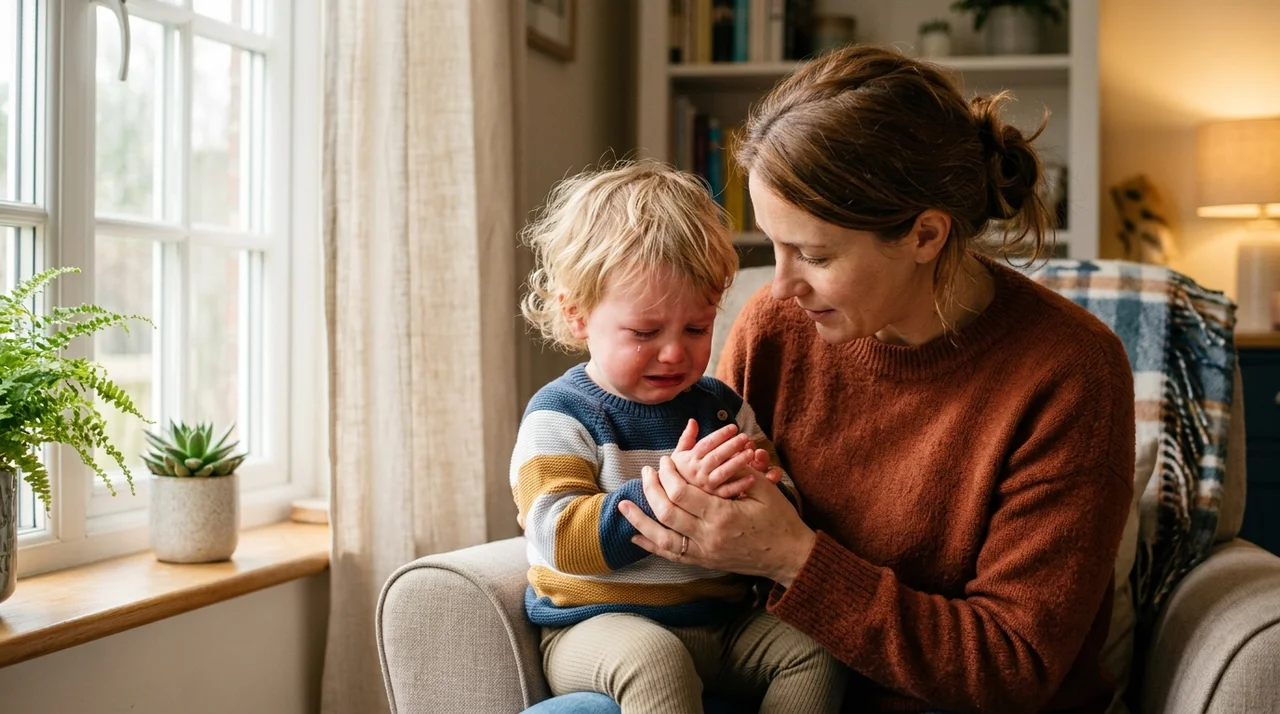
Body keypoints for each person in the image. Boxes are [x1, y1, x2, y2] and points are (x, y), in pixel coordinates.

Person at [533, 45, 1136, 714]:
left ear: (925, 235)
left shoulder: (1069, 371)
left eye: (814, 254)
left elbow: (1012, 668)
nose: (781, 285)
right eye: (771, 244)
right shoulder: (776, 326)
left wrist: (795, 557)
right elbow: (719, 529)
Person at [513, 162, 848, 714]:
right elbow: (559, 538)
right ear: (577, 316)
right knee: (657, 660)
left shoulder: (721, 406)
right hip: (599, 631)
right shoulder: (561, 415)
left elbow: (785, 503)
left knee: (816, 647)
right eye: (645, 332)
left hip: (722, 628)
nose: (674, 352)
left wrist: (758, 490)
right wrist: (665, 494)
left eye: (696, 328)